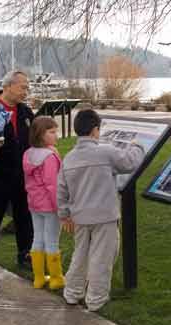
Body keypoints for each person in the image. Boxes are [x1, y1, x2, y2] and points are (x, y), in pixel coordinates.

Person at [58, 109, 144, 311]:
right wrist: (137, 146)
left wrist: (64, 215)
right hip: (104, 217)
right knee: (102, 259)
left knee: (80, 255)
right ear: (95, 130)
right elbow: (129, 162)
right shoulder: (105, 152)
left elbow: (61, 190)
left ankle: (72, 292)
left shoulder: (69, 158)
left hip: (80, 217)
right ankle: (96, 299)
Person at [0, 71, 35, 273]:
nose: (26, 91)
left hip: (22, 177)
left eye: (27, 87)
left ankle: (25, 254)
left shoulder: (26, 112)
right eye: (23, 87)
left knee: (24, 217)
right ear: (7, 86)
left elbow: (36, 139)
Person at [23, 116, 65, 290]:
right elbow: (52, 185)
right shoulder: (49, 156)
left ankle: (39, 277)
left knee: (38, 238)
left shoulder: (28, 153)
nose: (57, 135)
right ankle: (56, 278)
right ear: (41, 134)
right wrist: (60, 207)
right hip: (50, 205)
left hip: (34, 204)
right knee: (52, 241)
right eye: (52, 132)